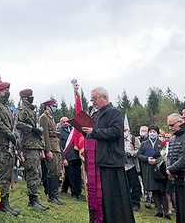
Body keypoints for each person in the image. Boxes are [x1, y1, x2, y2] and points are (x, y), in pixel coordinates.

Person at [81, 87, 135, 223]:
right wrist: (84, 130)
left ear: (104, 97)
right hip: (98, 161)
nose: (93, 102)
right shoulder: (95, 114)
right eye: (91, 99)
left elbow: (116, 132)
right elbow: (93, 133)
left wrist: (93, 132)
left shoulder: (113, 112)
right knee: (101, 197)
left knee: (112, 198)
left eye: (95, 99)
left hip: (110, 161)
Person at [0, 82, 20, 216]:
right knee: (2, 174)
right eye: (5, 90)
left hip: (8, 145)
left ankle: (5, 201)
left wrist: (15, 137)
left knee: (7, 173)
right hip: (0, 144)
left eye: (8, 90)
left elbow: (11, 125)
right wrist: (10, 134)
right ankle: (1, 203)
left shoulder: (5, 107)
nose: (7, 92)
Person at [15, 88, 48, 210]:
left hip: (35, 144)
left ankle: (35, 197)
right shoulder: (22, 109)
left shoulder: (31, 110)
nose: (31, 98)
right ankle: (32, 200)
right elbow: (17, 123)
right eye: (29, 96)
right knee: (32, 172)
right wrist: (31, 128)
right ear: (24, 98)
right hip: (28, 144)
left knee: (37, 172)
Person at [167, 97, 185, 222]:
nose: (184, 116)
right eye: (183, 113)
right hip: (182, 179)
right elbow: (174, 155)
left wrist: (176, 167)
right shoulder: (182, 134)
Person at [137, 125, 170, 220]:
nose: (152, 133)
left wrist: (158, 161)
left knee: (162, 191)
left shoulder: (162, 143)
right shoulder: (144, 144)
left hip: (160, 170)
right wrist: (147, 159)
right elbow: (139, 155)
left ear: (158, 133)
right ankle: (159, 211)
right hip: (149, 169)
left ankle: (166, 212)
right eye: (150, 131)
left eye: (154, 132)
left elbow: (166, 155)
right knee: (154, 191)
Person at [40, 98, 68, 206]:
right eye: (53, 106)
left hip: (56, 146)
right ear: (48, 107)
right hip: (51, 147)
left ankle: (55, 195)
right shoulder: (44, 118)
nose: (55, 107)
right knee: (52, 171)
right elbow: (45, 135)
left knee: (57, 172)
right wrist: (47, 150)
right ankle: (52, 196)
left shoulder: (50, 118)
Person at [165, 113, 185, 223]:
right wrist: (168, 167)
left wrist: (171, 169)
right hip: (175, 179)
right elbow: (169, 156)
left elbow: (183, 157)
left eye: (172, 125)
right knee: (179, 210)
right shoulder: (173, 139)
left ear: (180, 122)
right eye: (169, 126)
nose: (170, 128)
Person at [58, 116, 84, 201]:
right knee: (71, 175)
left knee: (77, 175)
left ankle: (78, 192)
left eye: (67, 121)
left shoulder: (74, 130)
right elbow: (60, 147)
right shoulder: (60, 132)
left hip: (76, 156)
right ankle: (74, 193)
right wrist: (63, 158)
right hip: (68, 157)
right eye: (63, 122)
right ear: (61, 123)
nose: (66, 123)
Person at [124, 125, 142, 211]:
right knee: (124, 185)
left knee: (135, 185)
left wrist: (131, 153)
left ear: (128, 130)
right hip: (121, 166)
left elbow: (139, 150)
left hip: (132, 166)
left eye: (125, 130)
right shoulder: (118, 139)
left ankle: (135, 203)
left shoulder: (134, 139)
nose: (124, 132)